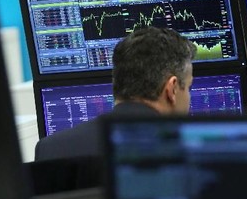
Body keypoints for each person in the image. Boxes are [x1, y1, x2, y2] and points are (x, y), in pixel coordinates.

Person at [34, 26, 196, 162]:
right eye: (188, 87)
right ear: (172, 89)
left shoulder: (51, 149)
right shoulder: (193, 151)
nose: (188, 98)